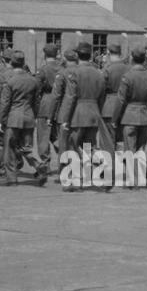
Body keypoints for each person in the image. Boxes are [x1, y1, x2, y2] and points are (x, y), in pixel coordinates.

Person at [57, 40, 107, 189]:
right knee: (88, 146)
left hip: (78, 114)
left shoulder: (75, 72)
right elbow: (102, 97)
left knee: (72, 146)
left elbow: (70, 97)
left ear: (78, 55)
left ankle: (74, 181)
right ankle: (99, 165)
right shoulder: (99, 73)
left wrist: (65, 119)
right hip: (94, 113)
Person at [110, 44, 147, 189]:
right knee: (141, 149)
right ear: (145, 59)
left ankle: (133, 181)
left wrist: (115, 119)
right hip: (145, 115)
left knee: (129, 150)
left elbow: (120, 100)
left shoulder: (128, 77)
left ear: (132, 58)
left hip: (130, 115)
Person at [0, 51, 47, 186]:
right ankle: (39, 164)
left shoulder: (10, 81)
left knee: (10, 148)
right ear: (24, 63)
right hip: (29, 116)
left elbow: (5, 103)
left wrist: (1, 120)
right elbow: (37, 102)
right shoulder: (33, 80)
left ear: (12, 63)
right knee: (27, 147)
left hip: (14, 117)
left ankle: (11, 178)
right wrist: (34, 115)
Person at [35, 43, 65, 175]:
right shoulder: (62, 68)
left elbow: (37, 89)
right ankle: (65, 158)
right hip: (60, 104)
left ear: (45, 55)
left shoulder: (43, 69)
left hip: (46, 102)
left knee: (43, 137)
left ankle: (45, 164)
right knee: (57, 135)